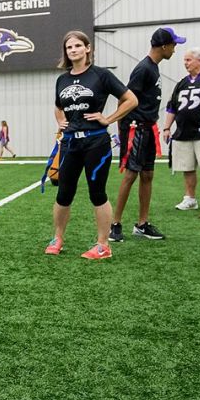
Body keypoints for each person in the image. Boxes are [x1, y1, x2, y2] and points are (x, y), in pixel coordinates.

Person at [46, 30, 138, 260]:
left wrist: (109, 119)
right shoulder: (63, 79)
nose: (73, 50)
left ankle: (103, 245)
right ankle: (57, 238)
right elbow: (58, 105)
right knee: (64, 193)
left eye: (78, 45)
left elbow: (131, 100)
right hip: (69, 144)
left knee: (97, 193)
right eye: (69, 47)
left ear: (88, 48)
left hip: (96, 142)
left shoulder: (101, 75)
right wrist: (60, 120)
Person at [109, 27, 184, 243]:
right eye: (173, 44)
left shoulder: (154, 68)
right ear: (164, 46)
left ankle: (142, 224)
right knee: (131, 175)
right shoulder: (143, 69)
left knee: (148, 175)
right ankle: (115, 224)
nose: (175, 49)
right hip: (136, 128)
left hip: (148, 127)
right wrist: (123, 130)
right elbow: (124, 98)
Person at [161, 47, 200, 210]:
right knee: (186, 167)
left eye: (188, 60)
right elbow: (172, 107)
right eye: (184, 60)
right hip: (183, 132)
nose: (185, 63)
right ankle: (190, 198)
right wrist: (167, 128)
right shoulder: (182, 83)